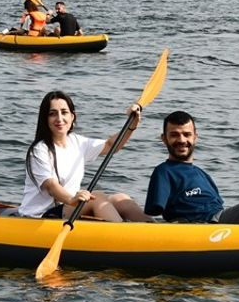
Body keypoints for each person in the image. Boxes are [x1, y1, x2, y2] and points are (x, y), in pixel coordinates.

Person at [18, 90, 153, 222]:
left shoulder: (77, 142)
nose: (59, 118)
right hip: (39, 216)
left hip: (69, 207)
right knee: (97, 197)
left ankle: (153, 229)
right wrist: (72, 199)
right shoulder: (39, 150)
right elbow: (51, 187)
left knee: (120, 199)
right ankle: (122, 236)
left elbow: (112, 145)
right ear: (45, 119)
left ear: (72, 116)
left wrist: (131, 126)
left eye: (64, 112)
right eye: (52, 114)